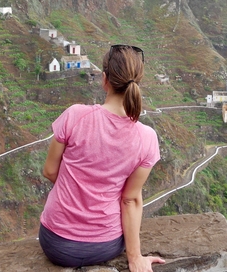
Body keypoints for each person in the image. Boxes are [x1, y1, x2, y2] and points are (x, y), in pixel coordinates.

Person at [39, 45, 164, 272]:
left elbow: (49, 171)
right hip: (105, 244)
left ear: (104, 79)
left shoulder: (75, 116)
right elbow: (130, 200)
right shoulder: (147, 138)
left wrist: (76, 191)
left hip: (55, 242)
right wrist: (135, 258)